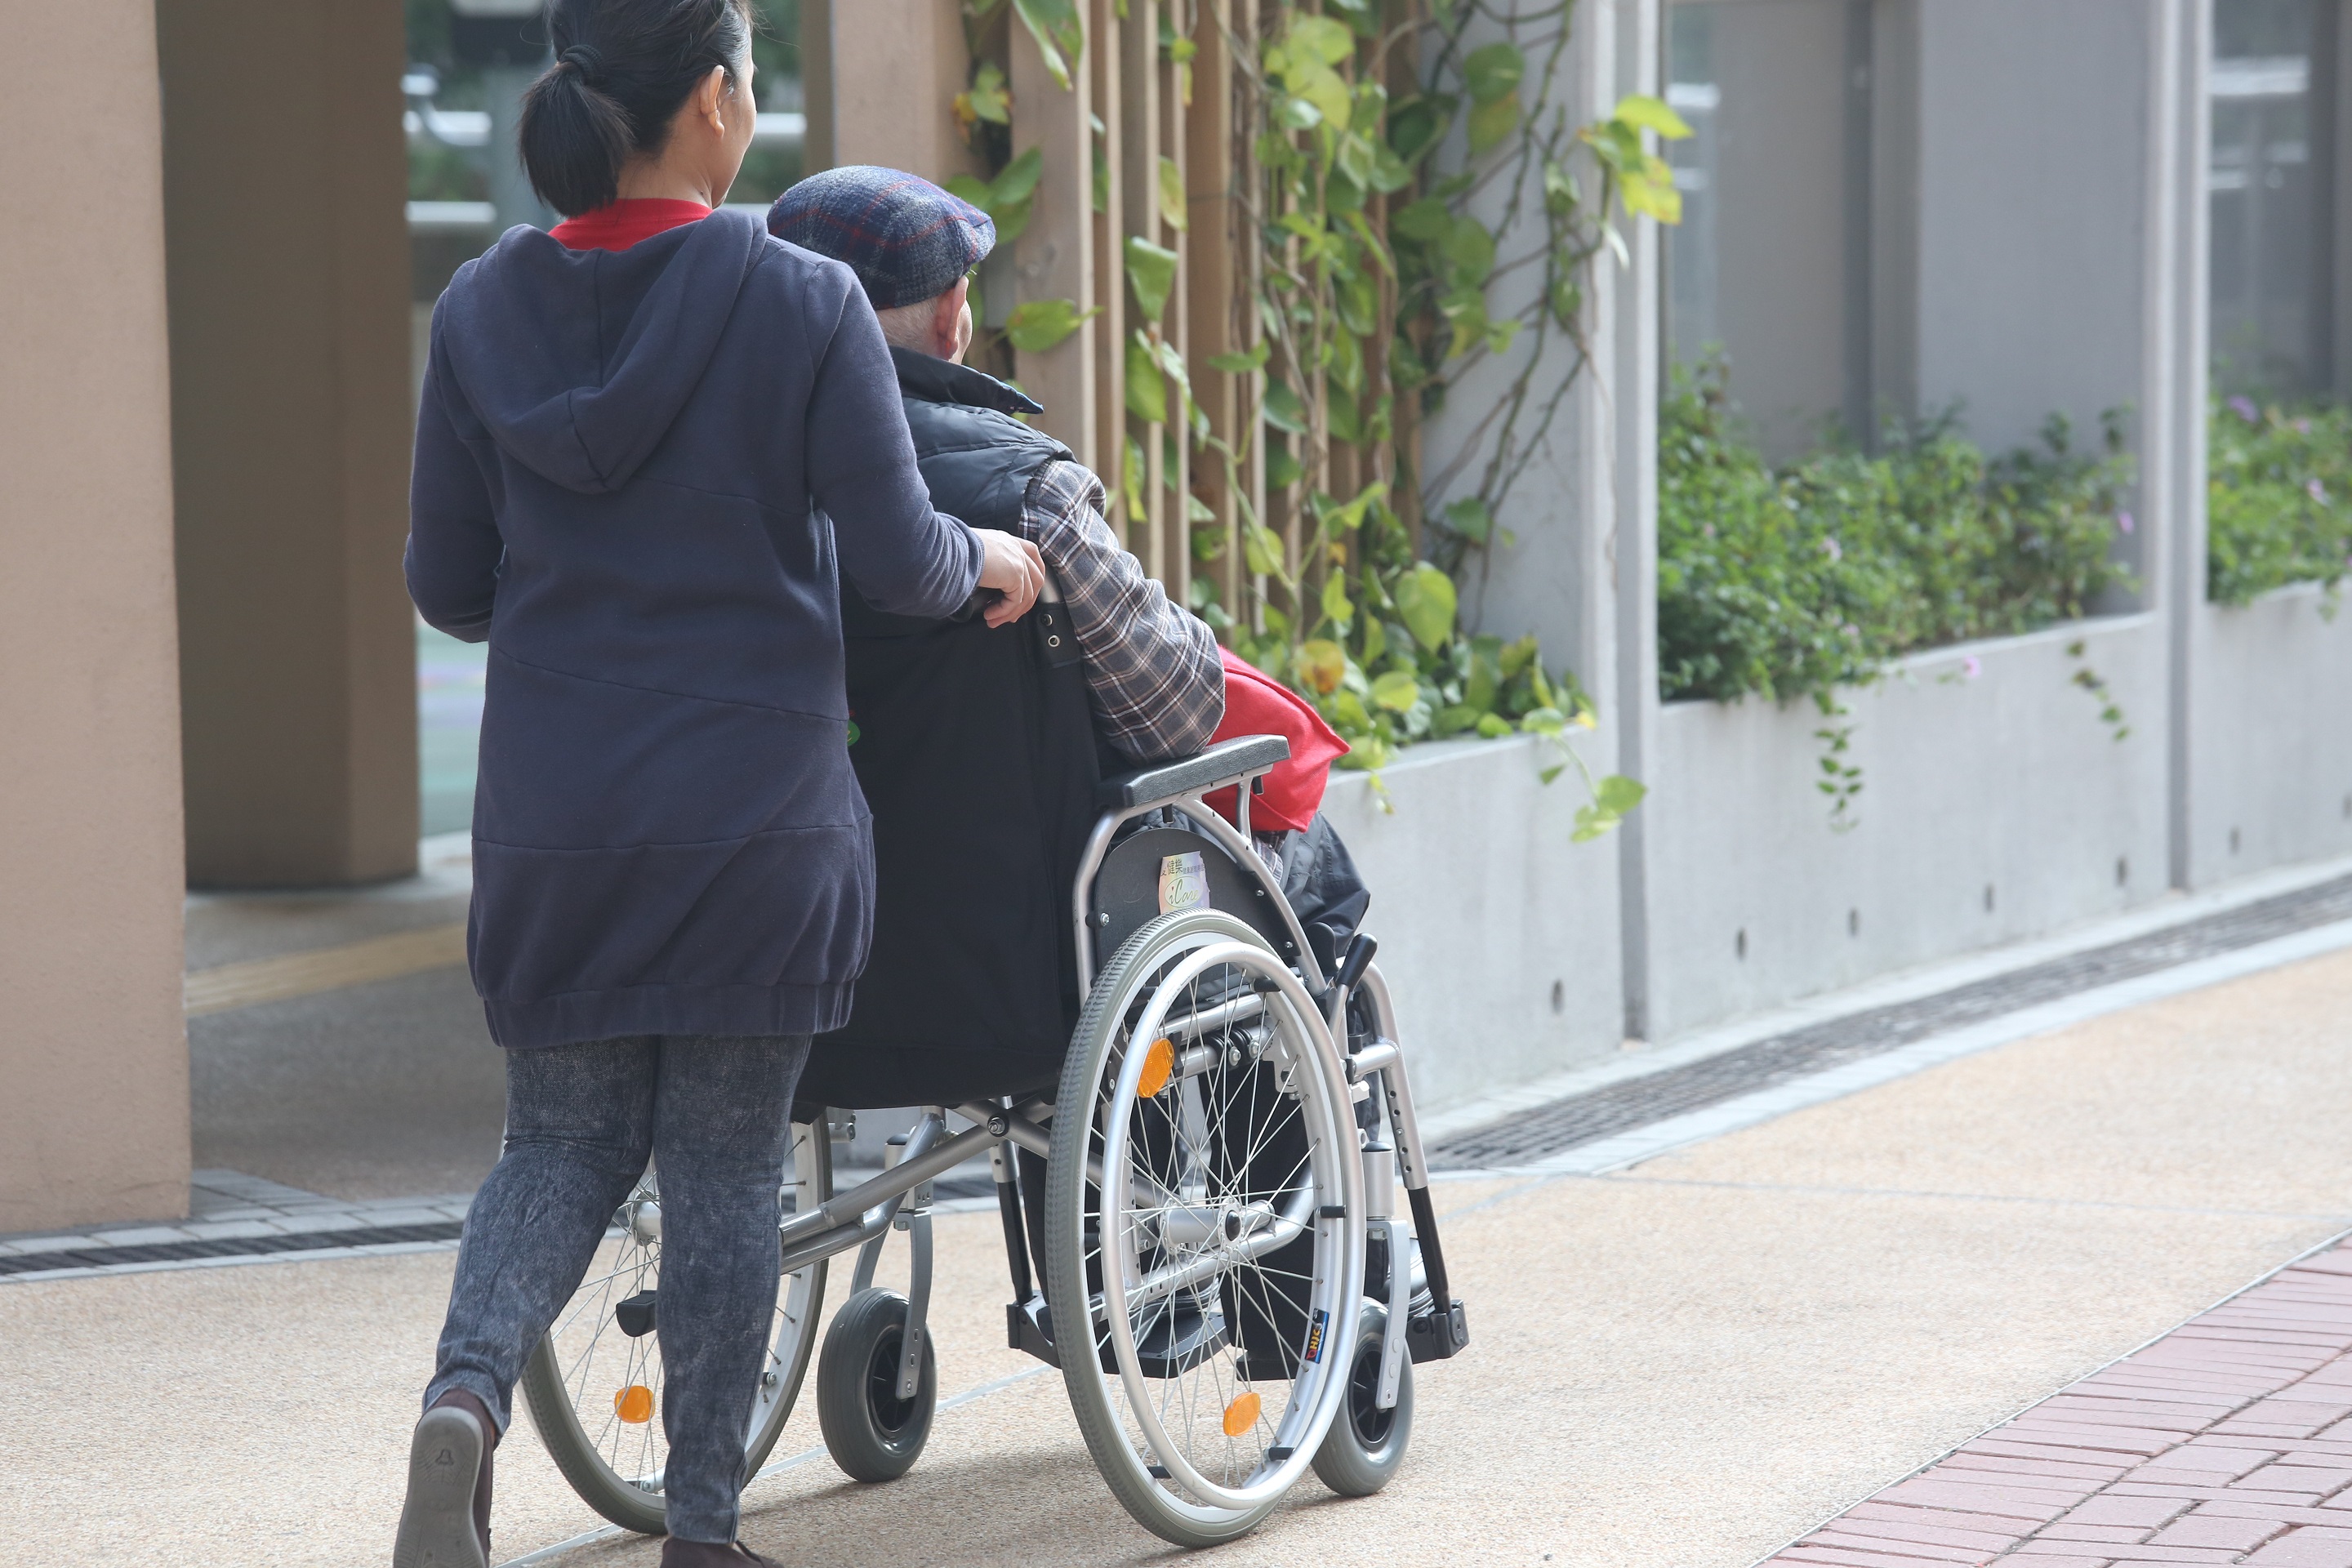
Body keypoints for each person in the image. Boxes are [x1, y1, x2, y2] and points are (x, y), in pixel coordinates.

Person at [392, 4, 1043, 1566]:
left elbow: (448, 584)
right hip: (755, 815)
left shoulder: (481, 311)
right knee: (729, 1161)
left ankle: (466, 1400)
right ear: (708, 103)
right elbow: (899, 560)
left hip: (558, 820)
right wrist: (995, 563)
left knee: (555, 1142)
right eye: (750, 70)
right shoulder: (801, 299)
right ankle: (699, 1530)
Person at [763, 169, 1226, 1109]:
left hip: (789, 978)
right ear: (951, 318)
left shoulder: (722, 487)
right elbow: (1177, 711)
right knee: (1310, 879)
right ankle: (1294, 1241)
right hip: (1017, 981)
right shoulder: (1021, 493)